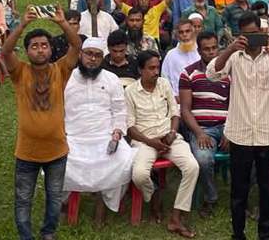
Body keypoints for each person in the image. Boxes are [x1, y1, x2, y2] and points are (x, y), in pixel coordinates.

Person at [207, 12, 269, 240]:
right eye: (246, 35)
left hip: (266, 133)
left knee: (267, 188)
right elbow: (212, 74)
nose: (250, 39)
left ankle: (265, 234)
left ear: (262, 32)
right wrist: (229, 49)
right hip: (240, 133)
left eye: (254, 34)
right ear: (239, 35)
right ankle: (238, 234)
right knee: (239, 190)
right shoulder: (235, 58)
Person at [2, 5, 80, 240]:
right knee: (23, 198)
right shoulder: (20, 72)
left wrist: (62, 23)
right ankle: (26, 236)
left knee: (54, 197)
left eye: (44, 45)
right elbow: (5, 52)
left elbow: (77, 46)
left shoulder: (61, 70)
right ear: (27, 52)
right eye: (34, 46)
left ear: (51, 49)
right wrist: (22, 24)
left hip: (57, 150)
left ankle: (48, 232)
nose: (40, 50)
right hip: (26, 152)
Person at [61, 37, 135, 229]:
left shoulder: (111, 79)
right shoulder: (66, 78)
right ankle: (64, 202)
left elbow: (120, 110)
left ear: (103, 58)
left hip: (105, 136)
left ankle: (103, 206)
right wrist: (62, 136)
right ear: (80, 54)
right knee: (61, 161)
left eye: (97, 56)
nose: (92, 59)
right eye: (89, 54)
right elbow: (57, 111)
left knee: (124, 158)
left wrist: (117, 132)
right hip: (73, 136)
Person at [125, 50, 199, 238]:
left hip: (169, 139)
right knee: (140, 175)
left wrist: (172, 134)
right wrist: (151, 142)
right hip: (145, 141)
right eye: (151, 68)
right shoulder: (130, 92)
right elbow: (130, 127)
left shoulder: (164, 84)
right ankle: (153, 194)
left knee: (192, 167)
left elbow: (176, 113)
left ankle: (176, 216)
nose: (156, 72)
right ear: (141, 70)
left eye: (157, 67)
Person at [179, 30, 230, 218]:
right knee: (203, 159)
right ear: (199, 51)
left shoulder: (228, 72)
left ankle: (242, 199)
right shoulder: (188, 73)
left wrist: (231, 131)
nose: (211, 52)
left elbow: (236, 105)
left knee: (252, 152)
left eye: (214, 48)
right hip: (202, 128)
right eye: (206, 49)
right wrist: (199, 133)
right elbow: (185, 109)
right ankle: (211, 198)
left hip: (227, 127)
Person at [161, 19, 200, 98]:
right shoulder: (170, 55)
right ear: (177, 35)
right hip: (177, 101)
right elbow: (165, 80)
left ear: (193, 32)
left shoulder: (201, 52)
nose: (184, 35)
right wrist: (173, 97)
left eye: (187, 31)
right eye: (181, 32)